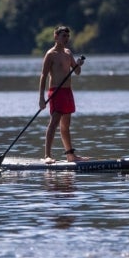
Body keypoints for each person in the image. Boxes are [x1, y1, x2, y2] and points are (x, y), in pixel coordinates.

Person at [39, 26, 86, 163]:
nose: (66, 38)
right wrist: (41, 98)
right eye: (63, 36)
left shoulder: (68, 53)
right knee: (54, 123)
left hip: (67, 92)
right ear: (56, 36)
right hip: (56, 91)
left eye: (67, 36)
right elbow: (43, 75)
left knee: (66, 125)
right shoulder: (50, 54)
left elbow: (76, 72)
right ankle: (47, 155)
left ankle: (70, 155)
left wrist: (78, 64)